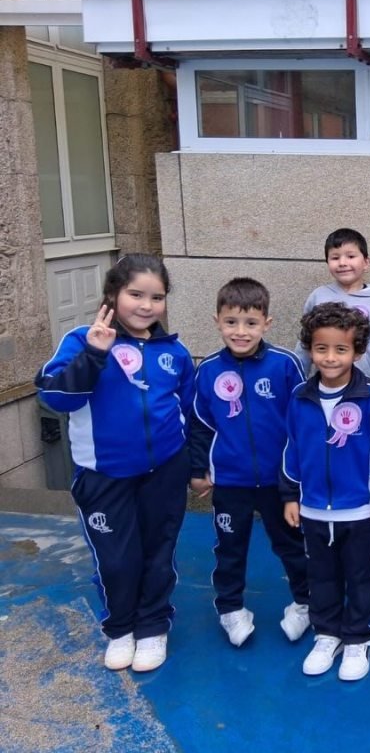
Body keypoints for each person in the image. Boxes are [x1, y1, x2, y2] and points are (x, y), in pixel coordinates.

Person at [36, 254, 194, 673]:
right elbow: (55, 399)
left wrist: (190, 464)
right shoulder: (81, 340)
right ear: (113, 294)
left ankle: (153, 626)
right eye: (135, 294)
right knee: (117, 559)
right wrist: (94, 354)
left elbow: (188, 410)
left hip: (165, 471)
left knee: (158, 553)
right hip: (103, 476)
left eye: (156, 297)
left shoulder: (174, 351)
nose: (146, 305)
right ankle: (120, 628)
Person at [188, 277, 310, 648]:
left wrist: (298, 478)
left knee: (291, 544)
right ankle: (230, 609)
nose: (240, 331)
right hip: (230, 482)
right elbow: (200, 425)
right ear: (217, 321)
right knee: (230, 548)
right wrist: (197, 470)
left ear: (266, 324)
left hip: (279, 483)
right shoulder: (208, 370)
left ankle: (306, 603)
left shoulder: (284, 365)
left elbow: (302, 424)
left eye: (251, 323)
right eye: (231, 322)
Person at [280, 303, 370, 681]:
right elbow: (292, 448)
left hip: (359, 510)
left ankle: (358, 637)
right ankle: (327, 633)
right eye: (321, 348)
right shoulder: (299, 397)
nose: (330, 357)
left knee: (360, 577)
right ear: (310, 349)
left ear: (357, 352)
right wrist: (290, 495)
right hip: (313, 510)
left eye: (341, 349)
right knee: (321, 577)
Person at [296, 228, 370, 393]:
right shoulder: (318, 297)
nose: (342, 263)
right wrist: (297, 381)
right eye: (335, 257)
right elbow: (305, 344)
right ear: (327, 262)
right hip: (327, 388)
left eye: (351, 256)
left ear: (366, 262)